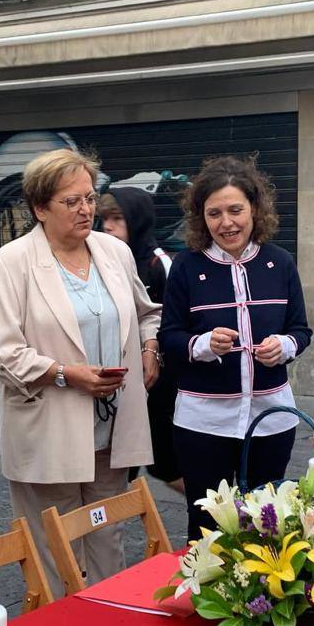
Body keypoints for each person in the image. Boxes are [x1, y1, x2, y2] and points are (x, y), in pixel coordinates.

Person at [0, 149, 162, 596]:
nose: (86, 210)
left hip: (111, 428)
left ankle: (111, 622)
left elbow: (147, 313)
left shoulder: (114, 252)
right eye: (71, 201)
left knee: (109, 536)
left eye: (90, 198)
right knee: (55, 548)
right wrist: (66, 373)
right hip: (49, 430)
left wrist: (150, 346)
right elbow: (2, 353)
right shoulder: (11, 263)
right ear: (40, 208)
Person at [159, 156, 312, 541]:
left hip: (271, 417)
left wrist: (285, 345)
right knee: (208, 527)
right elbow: (170, 337)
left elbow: (301, 330)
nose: (226, 222)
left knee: (269, 524)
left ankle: (262, 598)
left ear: (255, 209)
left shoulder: (280, 263)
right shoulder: (187, 267)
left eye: (235, 210)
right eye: (214, 213)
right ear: (201, 218)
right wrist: (204, 345)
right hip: (203, 423)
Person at [100, 187, 183, 494]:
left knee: (165, 464)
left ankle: (220, 512)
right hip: (118, 378)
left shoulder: (159, 264)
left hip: (157, 384)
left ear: (137, 220)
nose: (107, 226)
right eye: (105, 218)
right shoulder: (104, 260)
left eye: (117, 218)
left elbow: (172, 319)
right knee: (123, 465)